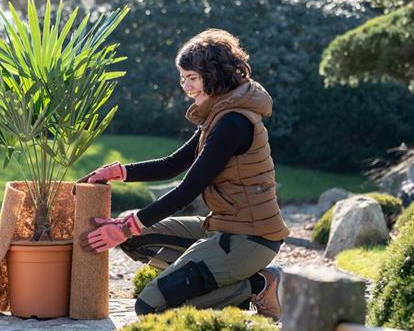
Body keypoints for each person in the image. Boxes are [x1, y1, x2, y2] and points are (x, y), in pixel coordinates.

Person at [78, 28, 290, 321]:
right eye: (183, 79)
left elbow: (187, 189)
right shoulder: (219, 115)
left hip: (250, 239)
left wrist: (126, 226)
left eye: (192, 78)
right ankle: (210, 281)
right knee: (136, 239)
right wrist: (117, 172)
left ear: (213, 74)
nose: (186, 87)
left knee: (150, 308)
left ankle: (256, 284)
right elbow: (173, 164)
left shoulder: (234, 122)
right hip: (221, 228)